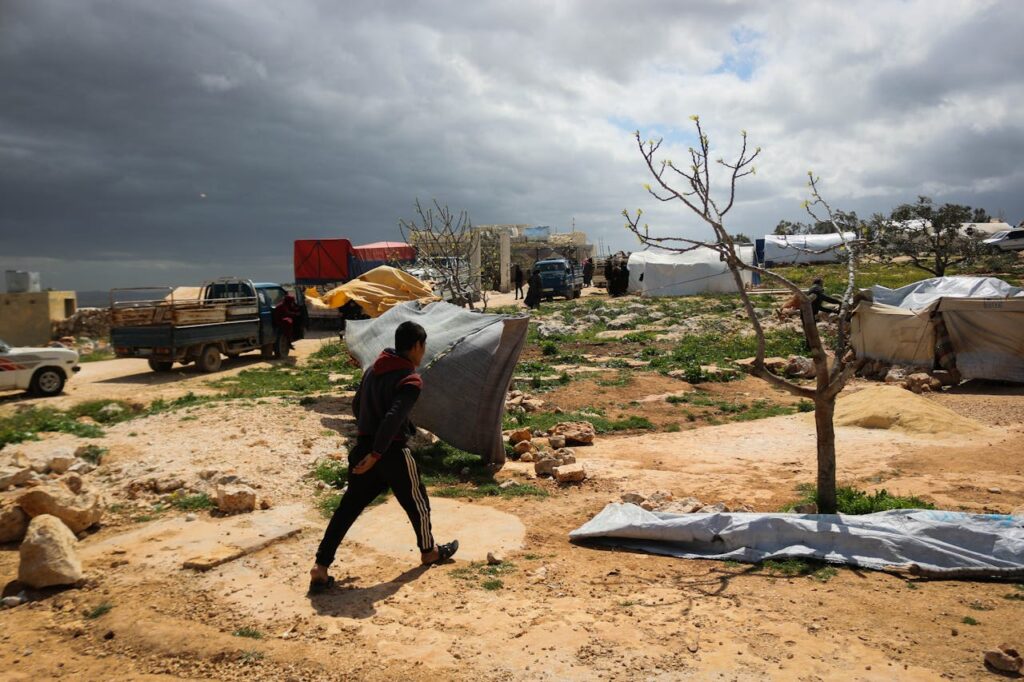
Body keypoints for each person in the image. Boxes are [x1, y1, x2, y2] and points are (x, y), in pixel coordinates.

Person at [309, 321, 458, 593]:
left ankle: (321, 566)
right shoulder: (410, 379)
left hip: (363, 449)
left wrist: (368, 444)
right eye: (422, 346)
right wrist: (378, 453)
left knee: (348, 509)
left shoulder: (372, 371)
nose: (422, 352)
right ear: (415, 346)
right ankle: (430, 552)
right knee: (418, 502)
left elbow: (357, 405)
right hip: (390, 453)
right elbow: (393, 418)